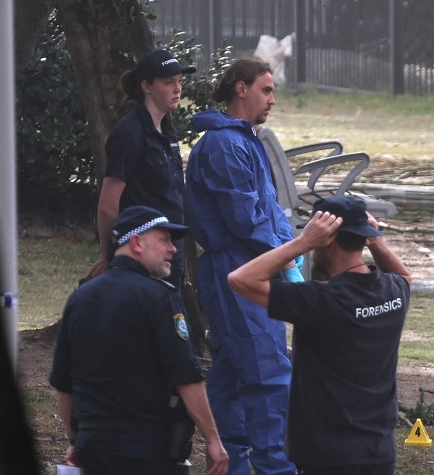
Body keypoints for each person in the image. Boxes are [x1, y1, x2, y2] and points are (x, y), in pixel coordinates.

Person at [227, 196, 411, 475]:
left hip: (329, 456)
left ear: (327, 240)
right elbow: (406, 277)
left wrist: (302, 243)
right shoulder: (393, 292)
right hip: (379, 451)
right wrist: (376, 242)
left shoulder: (322, 301)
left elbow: (239, 280)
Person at [50, 205, 227, 475]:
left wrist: (74, 439)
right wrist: (213, 440)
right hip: (146, 449)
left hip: (92, 445)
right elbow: (186, 376)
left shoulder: (80, 298)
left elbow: (63, 382)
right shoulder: (160, 297)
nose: (173, 249)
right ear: (136, 243)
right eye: (164, 239)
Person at [183, 57, 298, 475]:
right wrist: (288, 254)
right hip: (238, 267)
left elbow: (266, 209)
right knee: (268, 371)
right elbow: (245, 218)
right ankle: (275, 467)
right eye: (266, 90)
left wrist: (288, 248)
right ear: (241, 89)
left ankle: (229, 461)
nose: (272, 99)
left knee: (231, 370)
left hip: (248, 264)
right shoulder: (225, 145)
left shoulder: (243, 139)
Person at [88, 49, 196, 287]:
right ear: (146, 86)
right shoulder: (129, 133)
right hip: (142, 253)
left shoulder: (167, 130)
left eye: (179, 81)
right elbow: (108, 206)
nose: (177, 89)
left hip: (170, 249)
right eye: (168, 82)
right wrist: (111, 255)